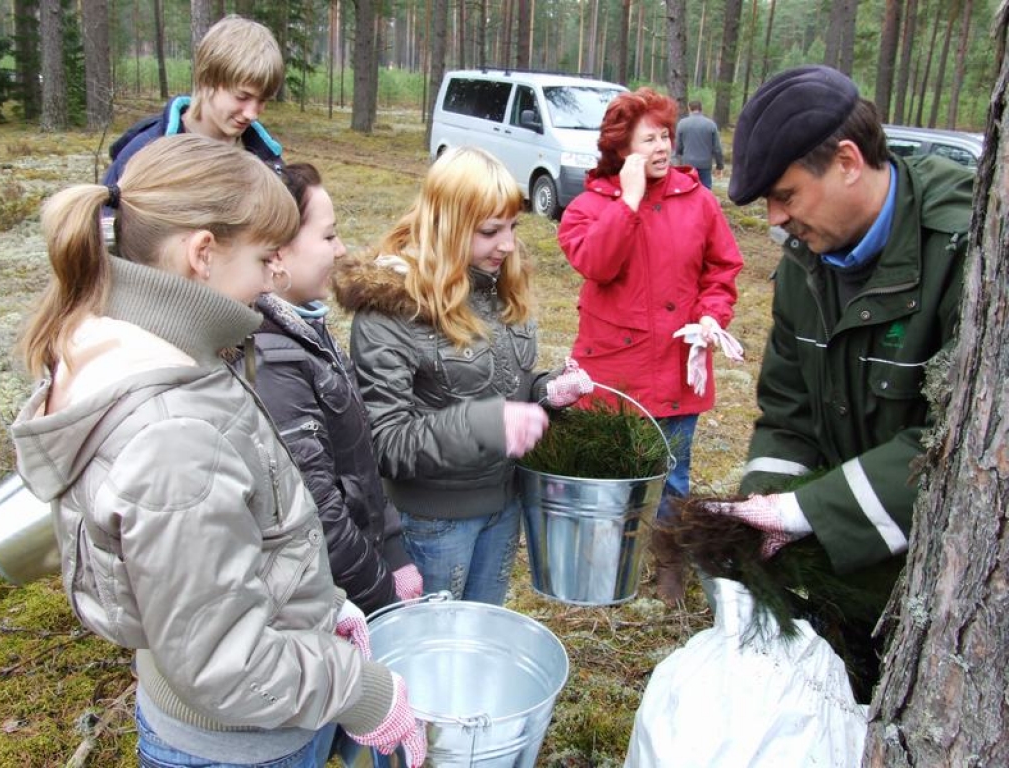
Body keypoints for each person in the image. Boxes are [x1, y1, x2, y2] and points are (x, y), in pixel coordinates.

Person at [11, 135, 426, 768]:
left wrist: (320, 609)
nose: (271, 280)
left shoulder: (162, 349)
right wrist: (362, 691)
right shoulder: (175, 432)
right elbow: (222, 658)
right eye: (264, 258)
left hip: (257, 713)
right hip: (239, 744)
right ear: (203, 253)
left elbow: (242, 539)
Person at [718, 65, 974, 694]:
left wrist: (805, 511)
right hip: (841, 578)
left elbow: (962, 448)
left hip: (944, 597)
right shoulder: (806, 266)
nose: (776, 219)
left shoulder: (964, 252)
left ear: (849, 161)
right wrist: (764, 514)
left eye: (787, 194)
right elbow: (788, 413)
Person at [332, 146, 592, 606]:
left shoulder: (498, 285)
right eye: (491, 231)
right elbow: (386, 443)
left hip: (502, 507)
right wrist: (489, 425)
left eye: (513, 226)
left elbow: (504, 389)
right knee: (435, 654)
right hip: (434, 523)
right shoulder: (392, 311)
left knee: (478, 636)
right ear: (448, 228)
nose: (508, 244)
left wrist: (547, 391)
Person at [557, 87, 744, 603]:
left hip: (679, 364)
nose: (663, 146)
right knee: (615, 471)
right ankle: (605, 566)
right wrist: (630, 201)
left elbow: (722, 268)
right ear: (621, 149)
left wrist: (711, 313)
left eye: (666, 135)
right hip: (614, 367)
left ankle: (667, 565)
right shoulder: (587, 208)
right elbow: (597, 263)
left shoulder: (699, 200)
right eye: (649, 138)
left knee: (673, 474)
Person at [239, 162, 422, 616]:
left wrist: (393, 547)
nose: (341, 250)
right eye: (327, 236)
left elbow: (357, 456)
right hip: (334, 600)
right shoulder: (271, 359)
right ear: (277, 254)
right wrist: (382, 597)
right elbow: (319, 514)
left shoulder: (304, 329)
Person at [104, 15, 285, 185]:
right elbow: (101, 215)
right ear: (207, 81)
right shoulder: (143, 154)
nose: (252, 114)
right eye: (242, 97)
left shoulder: (267, 160)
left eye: (262, 100)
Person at [673, 100, 724, 190]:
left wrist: (678, 160)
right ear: (701, 109)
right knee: (705, 191)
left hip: (688, 164)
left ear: (689, 108)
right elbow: (717, 148)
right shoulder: (711, 124)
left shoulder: (682, 124)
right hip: (705, 165)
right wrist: (719, 166)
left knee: (688, 190)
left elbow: (678, 147)